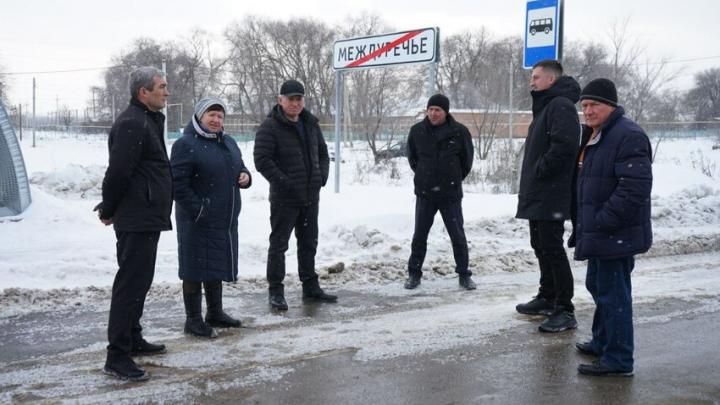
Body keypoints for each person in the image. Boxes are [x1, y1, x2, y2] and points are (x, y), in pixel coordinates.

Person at [571, 78, 652, 377]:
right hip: (601, 232)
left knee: (614, 295)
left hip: (615, 233)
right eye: (584, 105)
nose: (588, 111)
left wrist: (603, 221)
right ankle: (602, 341)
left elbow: (634, 188)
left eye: (594, 104)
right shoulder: (599, 134)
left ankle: (618, 359)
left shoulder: (628, 135)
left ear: (611, 105)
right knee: (598, 285)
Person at [96, 66, 172, 382]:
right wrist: (108, 208)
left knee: (140, 282)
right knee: (130, 284)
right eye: (161, 86)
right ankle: (117, 356)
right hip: (136, 216)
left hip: (147, 214)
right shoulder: (132, 123)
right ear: (144, 92)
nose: (166, 92)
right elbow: (118, 172)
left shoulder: (147, 120)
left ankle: (133, 336)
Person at [171, 97, 252, 339]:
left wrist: (245, 175)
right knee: (194, 269)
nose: (216, 120)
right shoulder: (185, 144)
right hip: (196, 220)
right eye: (211, 115)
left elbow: (239, 166)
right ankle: (193, 320)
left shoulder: (228, 142)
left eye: (220, 116)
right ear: (199, 116)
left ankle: (215, 313)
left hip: (223, 221)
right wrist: (199, 210)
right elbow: (177, 184)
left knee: (215, 264)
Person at [254, 79, 336, 311]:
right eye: (290, 99)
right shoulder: (270, 127)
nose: (295, 103)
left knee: (309, 242)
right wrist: (286, 183)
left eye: (298, 99)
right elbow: (262, 161)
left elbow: (323, 153)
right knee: (279, 245)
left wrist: (321, 176)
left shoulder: (310, 124)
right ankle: (276, 291)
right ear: (280, 100)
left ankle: (310, 286)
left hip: (310, 196)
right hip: (285, 199)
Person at [515, 60, 581, 333]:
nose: (532, 81)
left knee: (552, 248)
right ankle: (547, 296)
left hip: (550, 191)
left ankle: (564, 309)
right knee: (540, 244)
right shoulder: (546, 106)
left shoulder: (560, 106)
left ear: (551, 80)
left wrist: (542, 170)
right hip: (539, 190)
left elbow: (565, 146)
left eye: (536, 77)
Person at [404, 94, 476, 291]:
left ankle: (464, 274)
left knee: (457, 236)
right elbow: (413, 158)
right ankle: (414, 273)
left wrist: (452, 178)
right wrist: (424, 175)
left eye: (438, 110)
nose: (433, 113)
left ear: (446, 112)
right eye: (430, 109)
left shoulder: (459, 132)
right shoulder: (417, 131)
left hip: (450, 194)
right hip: (425, 193)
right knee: (419, 235)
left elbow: (467, 161)